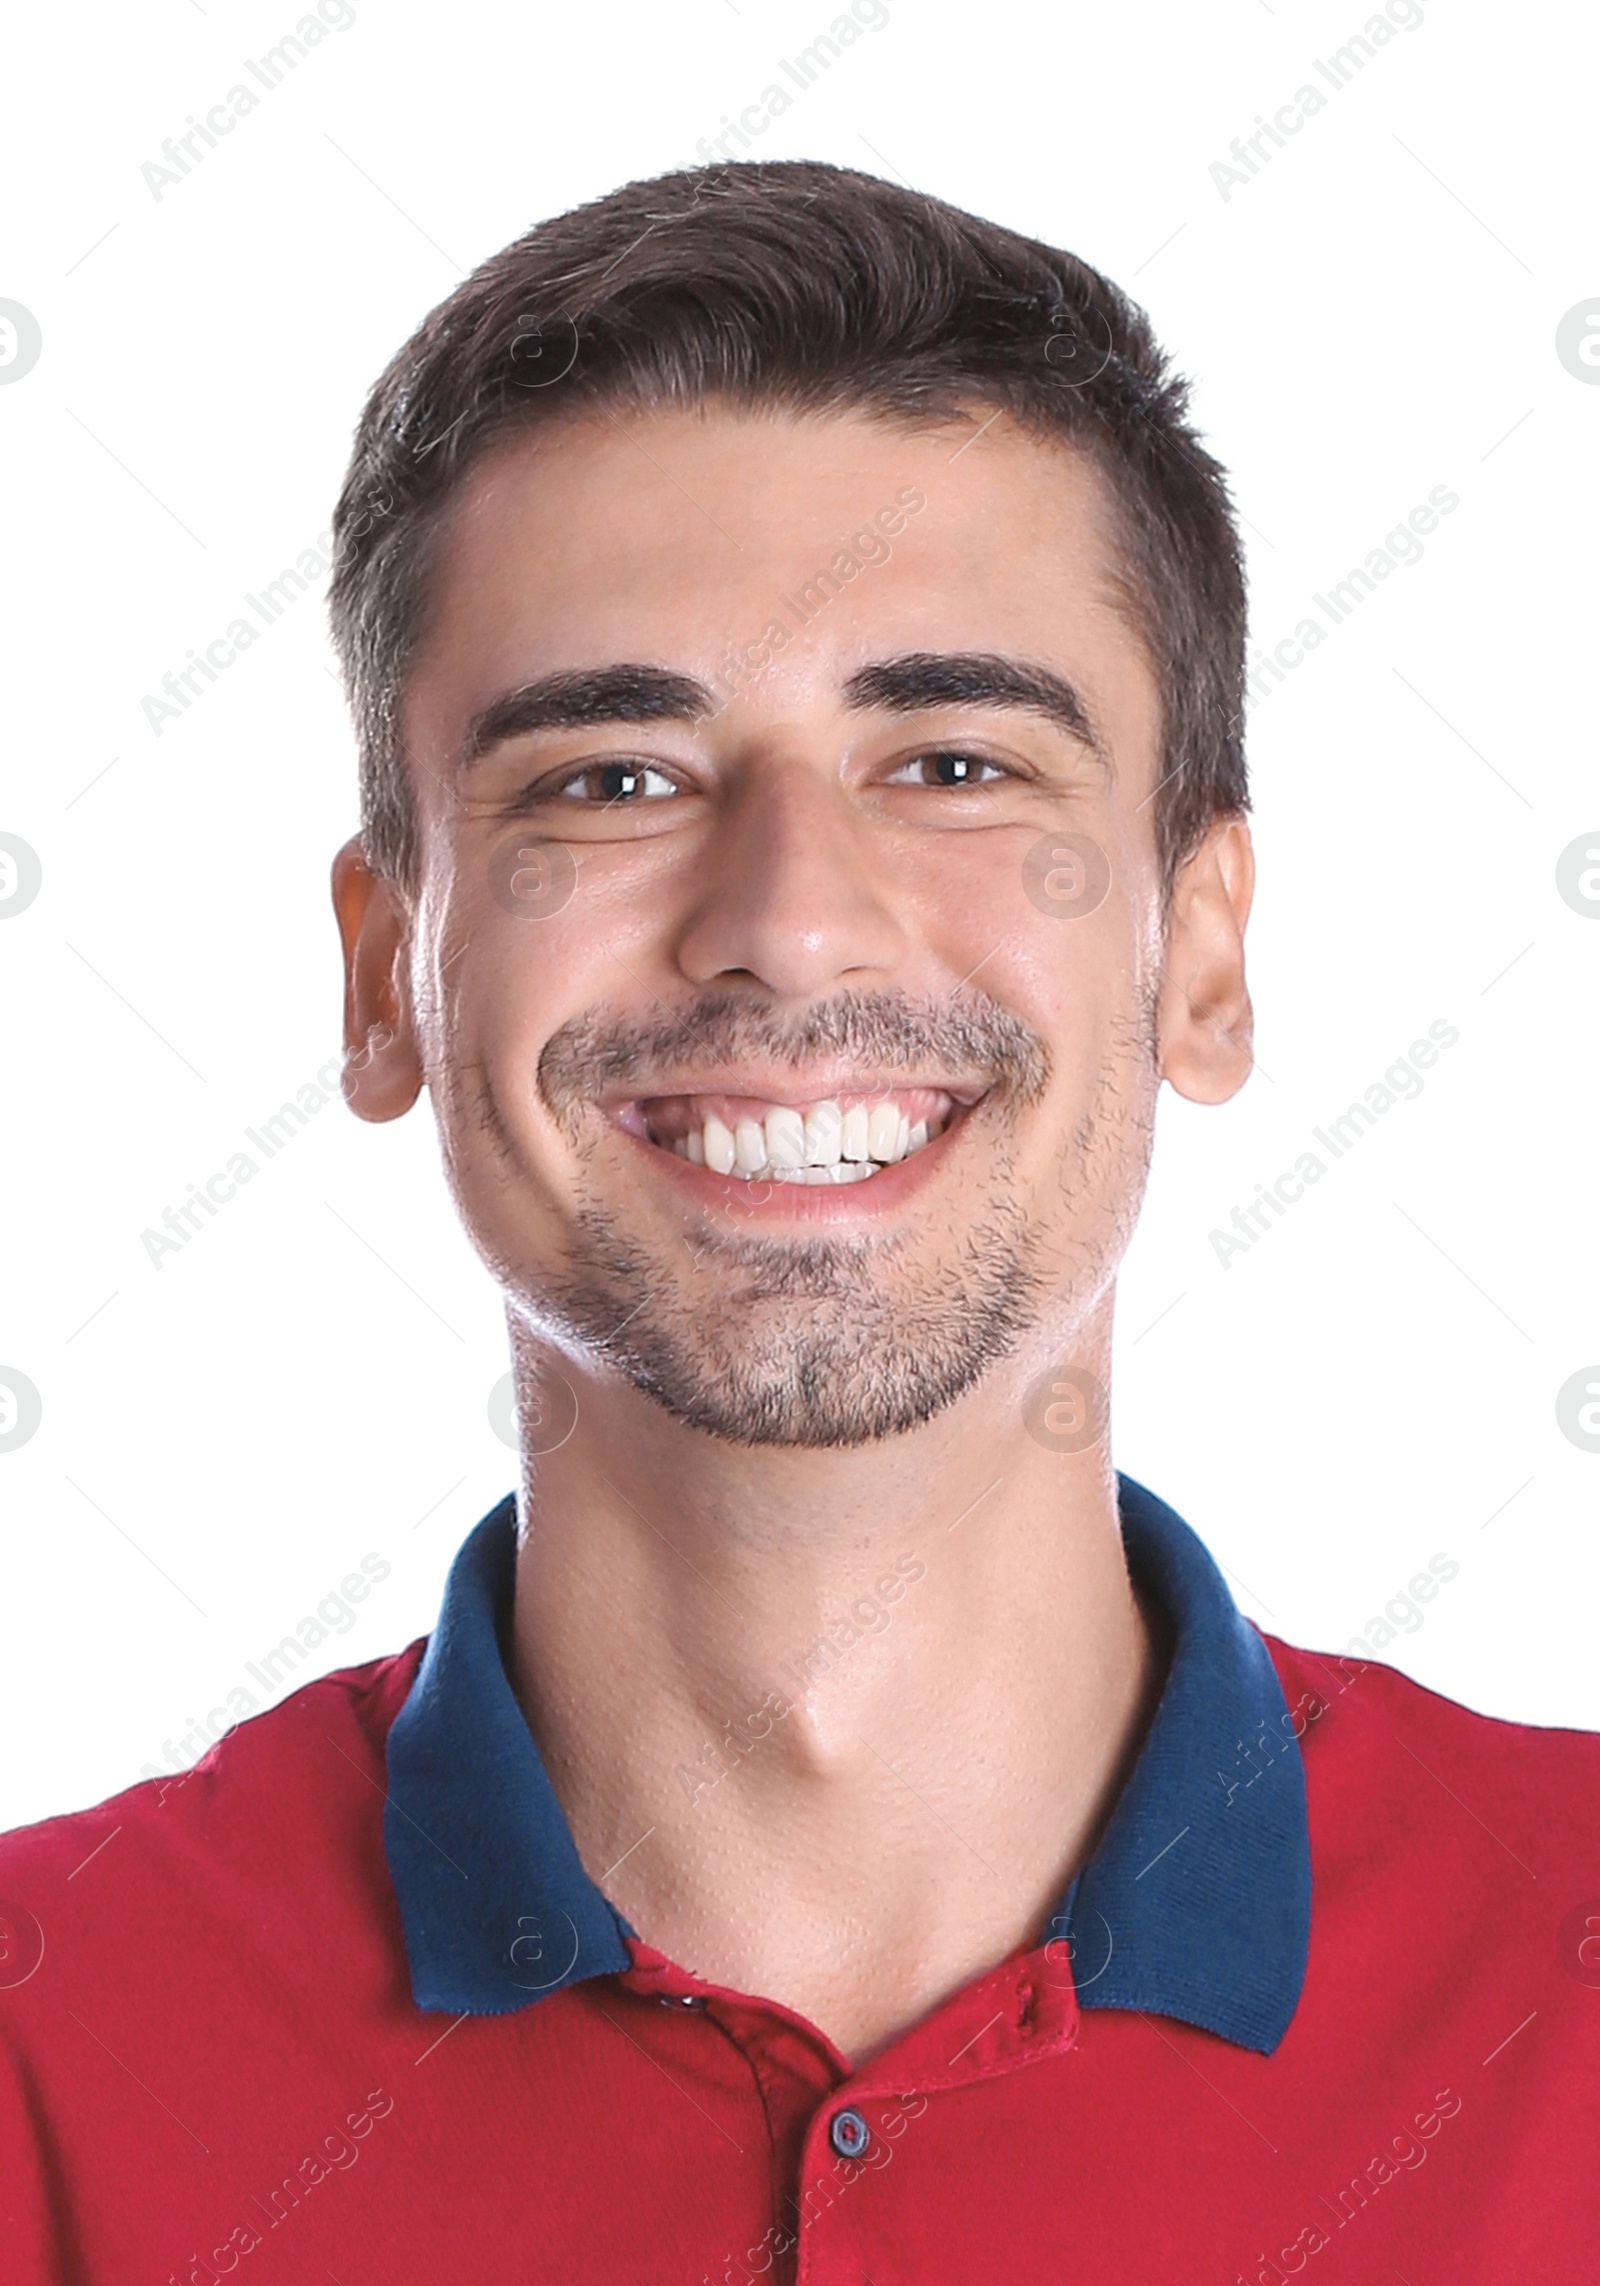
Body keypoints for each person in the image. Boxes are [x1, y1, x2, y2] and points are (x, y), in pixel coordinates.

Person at [1, 159, 1594, 2285]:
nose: (785, 923)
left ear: (1198, 956)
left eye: (949, 764)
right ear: (387, 975)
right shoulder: (41, 2050)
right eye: (613, 778)